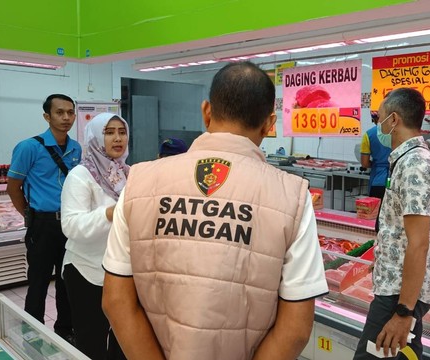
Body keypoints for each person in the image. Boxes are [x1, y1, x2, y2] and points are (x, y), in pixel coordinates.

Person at [102, 61, 329, 360]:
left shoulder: (140, 181)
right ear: (269, 124)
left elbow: (116, 302)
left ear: (206, 111)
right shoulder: (293, 196)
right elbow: (297, 328)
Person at [353, 88, 430, 360]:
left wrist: (404, 312)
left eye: (378, 118)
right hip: (397, 286)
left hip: (399, 295)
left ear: (393, 120)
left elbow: (419, 243)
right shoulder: (406, 160)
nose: (377, 125)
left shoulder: (415, 164)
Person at [7, 94, 81, 342]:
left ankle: (65, 330)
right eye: (60, 112)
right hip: (43, 224)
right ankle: (32, 332)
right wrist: (29, 215)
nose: (66, 118)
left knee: (66, 280)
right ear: (47, 116)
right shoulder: (29, 147)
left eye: (70, 112)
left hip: (70, 223)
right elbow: (13, 186)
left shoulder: (76, 148)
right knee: (38, 281)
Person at [60, 113, 129, 359]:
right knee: (92, 343)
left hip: (120, 271)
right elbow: (71, 226)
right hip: (86, 271)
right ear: (96, 137)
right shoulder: (81, 175)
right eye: (109, 132)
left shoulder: (127, 174)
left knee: (123, 340)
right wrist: (110, 213)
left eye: (121, 132)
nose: (117, 138)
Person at [360, 111, 392, 199]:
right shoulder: (396, 132)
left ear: (374, 119)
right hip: (396, 179)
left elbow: (364, 163)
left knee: (375, 211)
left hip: (378, 181)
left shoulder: (368, 135)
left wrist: (376, 164)